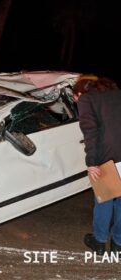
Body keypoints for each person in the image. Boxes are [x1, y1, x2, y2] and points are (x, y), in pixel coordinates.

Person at [74, 74, 121, 255]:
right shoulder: (117, 95)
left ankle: (99, 242)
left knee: (105, 199)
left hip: (107, 157)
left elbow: (90, 131)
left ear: (80, 92)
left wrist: (92, 162)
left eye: (75, 97)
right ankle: (118, 244)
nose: (76, 101)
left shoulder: (87, 99)